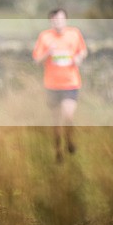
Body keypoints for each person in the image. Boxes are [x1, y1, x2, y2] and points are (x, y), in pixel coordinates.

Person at [32, 9, 88, 162]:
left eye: (61, 19)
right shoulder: (45, 37)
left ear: (66, 20)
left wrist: (79, 58)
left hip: (71, 83)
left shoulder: (74, 34)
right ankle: (58, 150)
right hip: (51, 86)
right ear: (51, 21)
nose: (58, 22)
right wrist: (48, 53)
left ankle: (69, 141)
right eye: (55, 20)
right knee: (56, 122)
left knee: (68, 115)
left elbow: (83, 51)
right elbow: (37, 60)